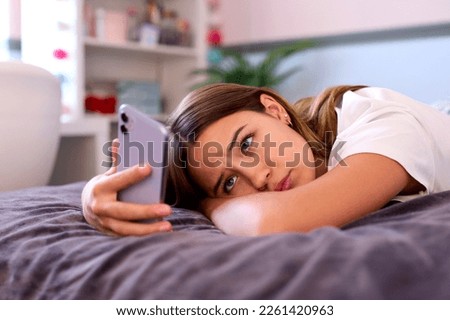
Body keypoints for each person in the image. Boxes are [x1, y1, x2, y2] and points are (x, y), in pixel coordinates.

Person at [82, 83, 450, 236]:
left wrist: (209, 202)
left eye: (246, 144)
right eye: (228, 182)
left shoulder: (380, 121)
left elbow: (270, 222)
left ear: (274, 110)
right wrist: (90, 199)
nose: (257, 177)